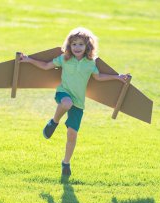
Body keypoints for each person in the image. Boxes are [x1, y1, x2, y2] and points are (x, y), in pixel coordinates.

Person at [19, 27, 130, 176]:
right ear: (69, 46)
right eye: (74, 44)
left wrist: (117, 77)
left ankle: (66, 163)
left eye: (81, 44)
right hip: (63, 92)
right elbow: (46, 66)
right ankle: (53, 122)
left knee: (72, 135)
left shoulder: (90, 64)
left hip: (79, 102)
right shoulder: (64, 58)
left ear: (87, 47)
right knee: (66, 103)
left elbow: (98, 77)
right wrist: (28, 59)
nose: (77, 47)